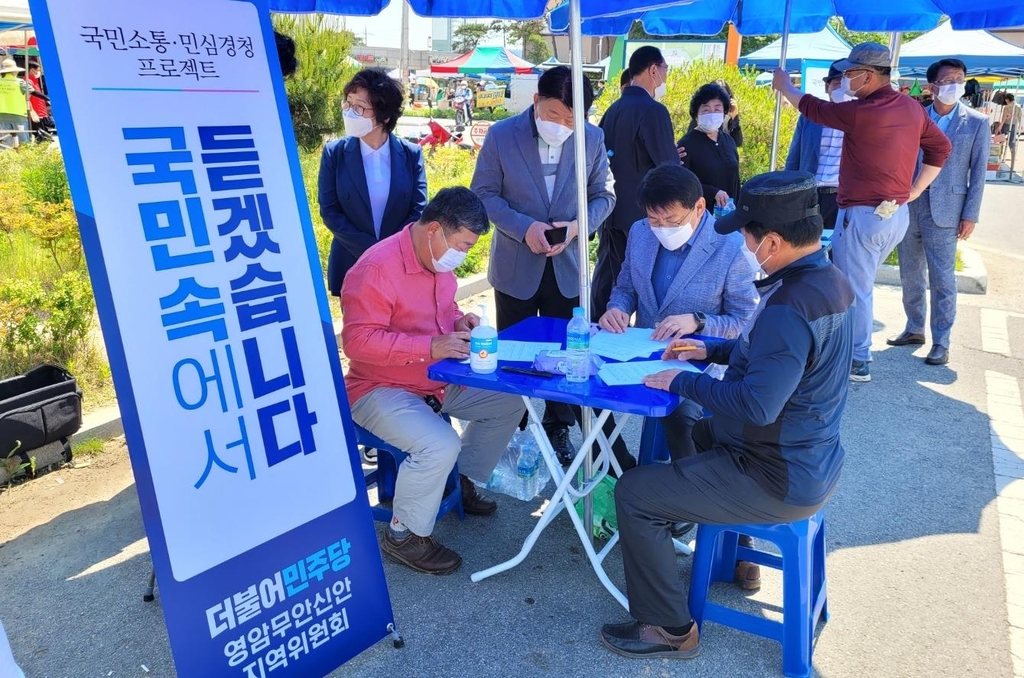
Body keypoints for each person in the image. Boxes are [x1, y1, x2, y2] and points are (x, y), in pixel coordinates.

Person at [599, 171, 854, 660]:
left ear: (773, 241)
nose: (742, 242)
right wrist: (710, 351)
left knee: (635, 492)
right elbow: (774, 356)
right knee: (697, 433)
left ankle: (670, 628)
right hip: (808, 457)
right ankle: (725, 558)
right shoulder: (827, 281)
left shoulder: (787, 306)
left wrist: (684, 380)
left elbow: (758, 403)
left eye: (747, 234)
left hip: (774, 473)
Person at [341, 187, 525, 575]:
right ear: (434, 231)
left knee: (509, 402)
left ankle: (455, 478)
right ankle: (403, 534)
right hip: (379, 387)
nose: (463, 255)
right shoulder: (375, 269)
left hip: (435, 378)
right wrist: (431, 345)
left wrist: (459, 322)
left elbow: (444, 308)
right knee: (439, 443)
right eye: (462, 245)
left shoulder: (437, 261)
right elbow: (357, 343)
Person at [773, 42, 951, 383]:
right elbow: (941, 148)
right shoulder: (911, 109)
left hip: (864, 213)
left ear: (868, 75)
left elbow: (811, 108)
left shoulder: (863, 112)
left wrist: (785, 86)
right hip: (895, 214)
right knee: (857, 281)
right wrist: (914, 190)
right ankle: (850, 350)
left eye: (850, 74)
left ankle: (857, 359)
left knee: (854, 286)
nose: (844, 80)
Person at [471, 66, 620, 467]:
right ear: (536, 101)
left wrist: (577, 227)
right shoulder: (502, 136)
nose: (562, 125)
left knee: (565, 350)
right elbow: (482, 194)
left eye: (572, 119)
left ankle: (558, 422)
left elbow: (604, 195)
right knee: (515, 349)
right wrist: (525, 228)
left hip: (567, 265)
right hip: (516, 265)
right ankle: (511, 420)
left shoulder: (591, 138)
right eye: (554, 115)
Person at [600, 163, 757, 462]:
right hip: (643, 355)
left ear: (699, 207)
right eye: (653, 219)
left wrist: (699, 322)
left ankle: (687, 490)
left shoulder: (731, 246)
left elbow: (746, 321)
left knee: (683, 428)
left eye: (670, 219)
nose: (661, 228)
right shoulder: (640, 232)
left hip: (701, 368)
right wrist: (617, 309)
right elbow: (626, 287)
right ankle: (625, 471)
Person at [887, 58, 989, 367]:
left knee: (943, 278)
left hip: (948, 210)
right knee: (910, 273)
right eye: (948, 80)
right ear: (933, 87)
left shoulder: (976, 122)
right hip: (911, 205)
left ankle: (941, 341)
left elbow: (979, 173)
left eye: (960, 79)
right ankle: (914, 328)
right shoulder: (915, 116)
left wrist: (970, 214)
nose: (955, 84)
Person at [318, 68, 428, 304]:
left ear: (384, 117)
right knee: (357, 337)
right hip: (351, 263)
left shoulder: (410, 155)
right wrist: (371, 251)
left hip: (400, 264)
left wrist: (389, 252)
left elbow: (418, 210)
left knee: (399, 335)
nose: (349, 113)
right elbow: (330, 211)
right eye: (347, 104)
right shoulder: (334, 153)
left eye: (359, 108)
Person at [592, 46, 679, 320]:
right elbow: (670, 170)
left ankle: (599, 328)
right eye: (665, 70)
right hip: (645, 216)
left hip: (609, 211)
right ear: (654, 70)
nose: (665, 77)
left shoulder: (612, 109)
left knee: (609, 277)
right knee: (642, 284)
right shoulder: (653, 111)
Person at [784, 60, 848, 230]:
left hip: (844, 198)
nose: (841, 88)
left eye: (846, 83)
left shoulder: (861, 120)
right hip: (810, 194)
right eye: (836, 83)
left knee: (839, 251)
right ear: (827, 87)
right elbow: (794, 157)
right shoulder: (810, 117)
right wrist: (789, 193)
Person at [677, 83, 740, 210]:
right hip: (700, 217)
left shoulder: (728, 141)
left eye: (717, 109)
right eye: (706, 110)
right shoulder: (686, 144)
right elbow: (681, 183)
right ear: (696, 114)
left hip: (729, 216)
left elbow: (736, 181)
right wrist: (712, 192)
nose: (712, 114)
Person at [0, 58, 30, 149]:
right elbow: (34, 93)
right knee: (23, 142)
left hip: (1, 116)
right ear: (14, 72)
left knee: (5, 143)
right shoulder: (20, 82)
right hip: (19, 116)